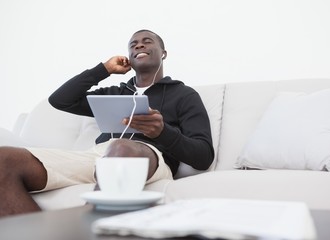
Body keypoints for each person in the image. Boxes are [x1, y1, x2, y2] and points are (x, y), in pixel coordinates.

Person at [0, 29, 214, 217]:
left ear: (164, 53)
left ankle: (86, 228)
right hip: (98, 156)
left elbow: (203, 157)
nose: (139, 44)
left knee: (121, 147)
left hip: (149, 159)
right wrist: (104, 69)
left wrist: (162, 132)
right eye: (133, 44)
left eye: (147, 41)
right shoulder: (116, 93)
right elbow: (59, 100)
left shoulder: (184, 94)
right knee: (4, 158)